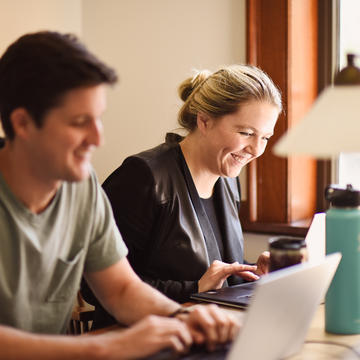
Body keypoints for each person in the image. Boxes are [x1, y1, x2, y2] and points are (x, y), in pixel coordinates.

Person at [0, 31, 240, 360]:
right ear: (23, 123)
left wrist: (181, 317)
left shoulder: (80, 188)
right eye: (79, 122)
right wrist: (105, 346)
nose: (97, 138)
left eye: (98, 119)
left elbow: (121, 289)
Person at [82, 64, 282, 328]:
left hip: (203, 333)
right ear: (204, 120)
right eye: (246, 133)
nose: (256, 149)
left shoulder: (228, 180)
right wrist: (193, 288)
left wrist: (252, 271)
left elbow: (212, 267)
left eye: (265, 137)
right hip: (141, 339)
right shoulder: (143, 177)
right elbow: (94, 287)